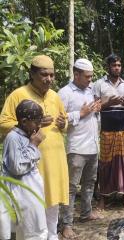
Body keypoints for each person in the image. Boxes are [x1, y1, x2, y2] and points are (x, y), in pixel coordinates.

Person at [0, 55, 69, 239]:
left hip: (55, 161)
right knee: (33, 209)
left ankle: (53, 236)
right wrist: (34, 124)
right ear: (32, 74)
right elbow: (3, 123)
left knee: (53, 207)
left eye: (52, 75)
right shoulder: (18, 94)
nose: (49, 79)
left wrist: (64, 124)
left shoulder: (55, 96)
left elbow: (65, 121)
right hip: (32, 164)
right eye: (44, 74)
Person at [58, 59, 103, 239]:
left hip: (93, 145)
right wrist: (80, 114)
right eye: (87, 77)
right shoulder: (64, 93)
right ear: (76, 74)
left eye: (92, 77)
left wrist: (97, 109)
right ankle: (66, 224)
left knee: (90, 182)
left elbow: (93, 115)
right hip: (76, 147)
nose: (90, 80)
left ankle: (86, 212)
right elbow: (59, 119)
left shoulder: (91, 90)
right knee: (70, 187)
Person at [0, 100, 46, 239]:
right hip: (21, 194)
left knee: (34, 229)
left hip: (28, 192)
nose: (39, 125)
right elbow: (17, 168)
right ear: (24, 121)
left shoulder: (26, 134)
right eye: (36, 121)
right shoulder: (13, 137)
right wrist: (33, 145)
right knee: (28, 230)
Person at [93, 54, 124, 209]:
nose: (117, 68)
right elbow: (95, 107)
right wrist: (109, 102)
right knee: (105, 163)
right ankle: (103, 197)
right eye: (114, 65)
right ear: (108, 67)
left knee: (123, 162)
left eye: (119, 65)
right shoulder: (99, 84)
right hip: (107, 129)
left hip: (123, 128)